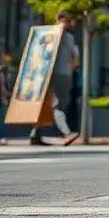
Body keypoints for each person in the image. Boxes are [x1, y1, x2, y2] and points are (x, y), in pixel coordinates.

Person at [30, 12, 80, 146]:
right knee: (58, 106)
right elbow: (75, 60)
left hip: (51, 73)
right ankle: (67, 133)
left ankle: (35, 135)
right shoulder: (54, 35)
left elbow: (75, 59)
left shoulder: (57, 35)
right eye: (63, 22)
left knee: (46, 104)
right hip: (58, 74)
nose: (63, 26)